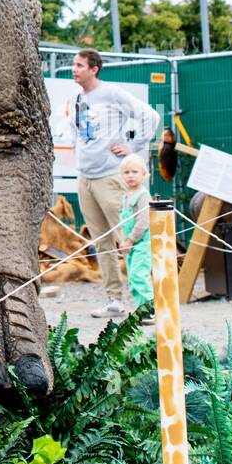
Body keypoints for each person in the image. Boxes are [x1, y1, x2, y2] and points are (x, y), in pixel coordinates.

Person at [70, 49, 160, 317]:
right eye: (74, 65)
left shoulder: (111, 93)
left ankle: (147, 304)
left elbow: (151, 117)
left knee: (128, 239)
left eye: (79, 65)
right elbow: (79, 133)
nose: (74, 69)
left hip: (110, 177)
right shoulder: (77, 98)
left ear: (94, 69)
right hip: (85, 177)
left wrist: (131, 147)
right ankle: (114, 300)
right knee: (102, 242)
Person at [117, 153, 155, 323]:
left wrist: (130, 240)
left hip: (142, 244)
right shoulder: (125, 196)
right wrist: (123, 241)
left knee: (140, 275)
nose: (130, 175)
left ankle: (151, 308)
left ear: (144, 174)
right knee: (132, 278)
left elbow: (143, 221)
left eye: (134, 171)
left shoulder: (143, 195)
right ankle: (142, 311)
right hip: (130, 245)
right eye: (126, 172)